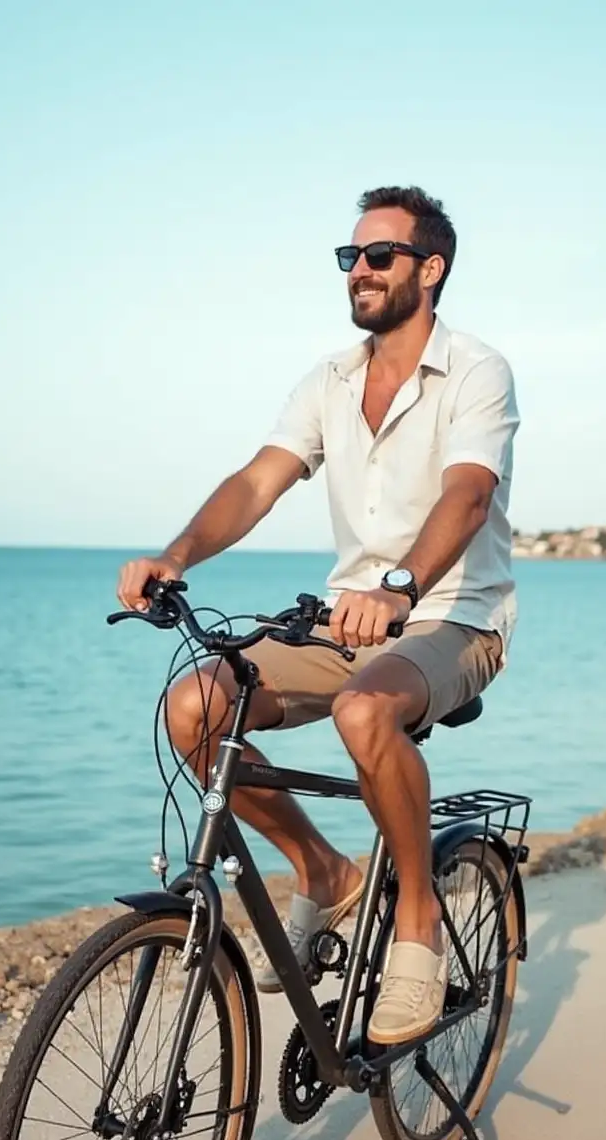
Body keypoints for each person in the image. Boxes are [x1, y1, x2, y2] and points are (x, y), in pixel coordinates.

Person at [117, 185, 520, 1046]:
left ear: (431, 268)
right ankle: (324, 869)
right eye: (351, 258)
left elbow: (470, 494)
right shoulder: (330, 380)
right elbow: (258, 480)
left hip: (454, 619)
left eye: (380, 255)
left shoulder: (477, 370)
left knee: (365, 709)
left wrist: (401, 588)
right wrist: (177, 556)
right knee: (194, 707)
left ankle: (416, 920)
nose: (361, 271)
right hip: (348, 626)